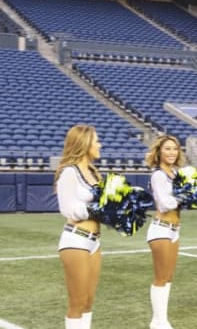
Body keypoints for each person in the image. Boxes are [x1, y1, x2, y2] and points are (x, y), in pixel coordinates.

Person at [56, 124, 102, 329]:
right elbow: (68, 209)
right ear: (84, 144)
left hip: (94, 242)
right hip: (76, 240)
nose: (100, 144)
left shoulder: (94, 172)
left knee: (88, 301)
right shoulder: (69, 172)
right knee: (77, 303)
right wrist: (98, 208)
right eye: (96, 141)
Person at [145, 135, 186, 329]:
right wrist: (186, 195)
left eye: (175, 149)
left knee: (168, 276)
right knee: (161, 277)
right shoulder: (158, 175)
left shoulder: (176, 173)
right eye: (168, 148)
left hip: (174, 230)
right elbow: (165, 203)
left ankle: (161, 318)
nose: (172, 152)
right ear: (159, 152)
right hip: (161, 230)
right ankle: (158, 321)